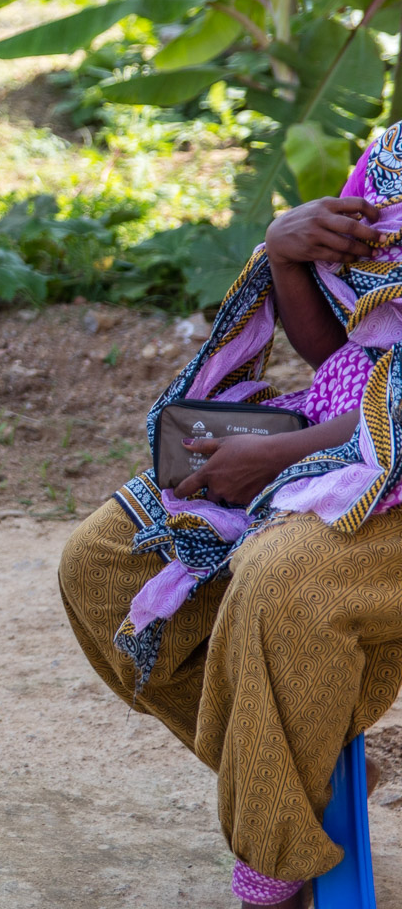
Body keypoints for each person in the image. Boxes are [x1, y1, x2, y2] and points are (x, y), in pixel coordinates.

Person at [59, 126, 402, 908]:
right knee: (108, 562)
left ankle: (276, 858)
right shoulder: (390, 159)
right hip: (352, 446)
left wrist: (281, 456)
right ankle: (293, 790)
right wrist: (285, 254)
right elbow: (346, 355)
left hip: (365, 464)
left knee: (285, 581)